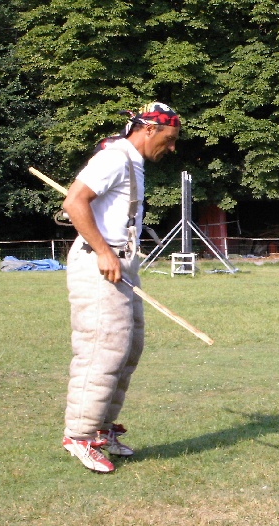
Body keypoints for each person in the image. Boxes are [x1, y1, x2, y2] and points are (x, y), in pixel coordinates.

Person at [61, 102, 181, 473]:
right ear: (148, 130)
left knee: (128, 347)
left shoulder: (132, 161)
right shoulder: (114, 157)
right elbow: (73, 202)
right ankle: (78, 436)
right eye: (170, 139)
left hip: (121, 261)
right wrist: (103, 251)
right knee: (101, 348)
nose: (172, 147)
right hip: (100, 262)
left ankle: (100, 428)